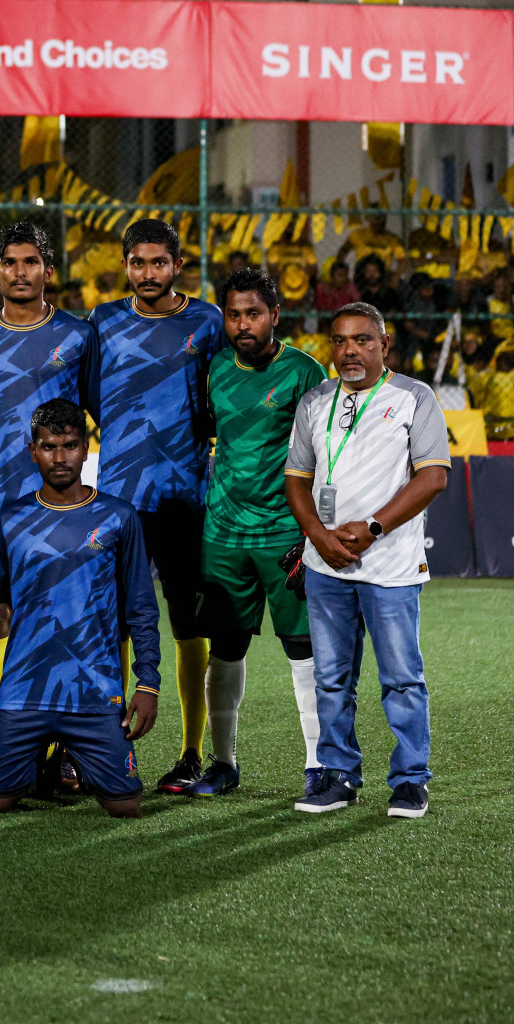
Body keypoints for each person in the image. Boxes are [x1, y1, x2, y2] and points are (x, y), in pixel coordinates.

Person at [285, 302, 450, 819]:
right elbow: (296, 477)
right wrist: (316, 534)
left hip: (391, 566)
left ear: (384, 345)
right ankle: (337, 776)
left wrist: (374, 527)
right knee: (332, 677)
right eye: (339, 341)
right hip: (326, 563)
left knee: (401, 678)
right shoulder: (315, 401)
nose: (349, 350)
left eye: (361, 340)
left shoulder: (414, 397)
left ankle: (410, 781)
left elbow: (434, 476)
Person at [0, 222, 98, 729]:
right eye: (9, 263)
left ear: (48, 271)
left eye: (30, 262)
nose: (20, 272)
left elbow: (98, 408)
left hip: (60, 507)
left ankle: (66, 748)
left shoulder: (78, 335)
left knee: (63, 622)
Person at [88, 218, 224, 794]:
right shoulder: (105, 320)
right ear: (125, 265)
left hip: (185, 497)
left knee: (188, 622)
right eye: (138, 263)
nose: (148, 273)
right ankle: (109, 747)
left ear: (178, 266)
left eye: (158, 263)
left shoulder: (207, 320)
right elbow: (91, 395)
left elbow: (220, 397)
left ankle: (192, 753)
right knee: (113, 621)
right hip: (120, 499)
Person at [0, 399, 160, 817]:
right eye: (48, 447)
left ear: (86, 449)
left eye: (71, 446)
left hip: (94, 693)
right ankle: (41, 768)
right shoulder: (10, 519)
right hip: (24, 691)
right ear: (32, 450)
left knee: (125, 806)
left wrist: (147, 683)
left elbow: (141, 608)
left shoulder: (119, 516)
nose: (59, 458)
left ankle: (70, 756)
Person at [192, 268, 327, 798]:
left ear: (274, 315)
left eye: (253, 313)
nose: (242, 324)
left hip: (285, 534)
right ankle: (222, 763)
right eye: (233, 314)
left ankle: (318, 765)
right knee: (224, 649)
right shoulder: (215, 368)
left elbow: (325, 456)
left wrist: (314, 527)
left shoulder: (303, 371)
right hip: (223, 533)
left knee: (304, 650)